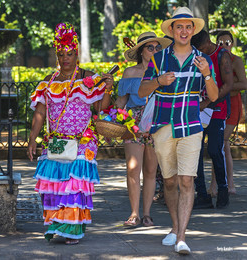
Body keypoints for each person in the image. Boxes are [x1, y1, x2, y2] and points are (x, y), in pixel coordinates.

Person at [138, 7, 219, 254]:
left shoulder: (202, 60)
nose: (184, 31)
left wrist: (206, 74)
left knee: (186, 180)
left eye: (188, 26)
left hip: (191, 125)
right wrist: (158, 82)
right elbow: (142, 91)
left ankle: (182, 236)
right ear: (172, 30)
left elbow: (214, 96)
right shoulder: (158, 59)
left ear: (193, 30)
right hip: (163, 126)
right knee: (170, 182)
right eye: (179, 27)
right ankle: (175, 227)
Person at [27, 22, 114, 245]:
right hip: (55, 141)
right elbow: (39, 113)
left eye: (70, 53)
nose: (66, 58)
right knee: (54, 183)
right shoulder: (48, 81)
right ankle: (58, 224)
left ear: (77, 53)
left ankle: (72, 228)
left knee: (74, 183)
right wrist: (31, 140)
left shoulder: (89, 79)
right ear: (57, 55)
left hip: (83, 141)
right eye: (61, 54)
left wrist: (108, 88)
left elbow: (101, 110)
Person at [115, 32, 172, 227]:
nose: (155, 51)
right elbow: (121, 102)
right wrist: (114, 121)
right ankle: (134, 213)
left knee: (150, 170)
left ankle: (146, 214)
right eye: (150, 48)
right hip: (134, 121)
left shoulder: (164, 71)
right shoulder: (130, 73)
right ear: (141, 51)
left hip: (157, 120)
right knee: (133, 169)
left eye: (158, 48)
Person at [191, 30, 233, 209]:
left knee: (215, 150)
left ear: (208, 42)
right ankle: (202, 194)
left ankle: (223, 190)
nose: (199, 52)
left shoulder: (222, 55)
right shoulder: (195, 55)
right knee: (196, 153)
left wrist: (207, 102)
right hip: (196, 110)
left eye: (200, 48)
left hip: (217, 110)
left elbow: (229, 85)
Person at [207, 31, 247, 196]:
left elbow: (244, 83)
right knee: (224, 146)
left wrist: (227, 86)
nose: (224, 46)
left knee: (220, 143)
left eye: (227, 43)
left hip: (232, 104)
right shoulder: (214, 58)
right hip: (218, 105)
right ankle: (229, 184)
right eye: (220, 43)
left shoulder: (236, 60)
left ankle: (216, 185)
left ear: (232, 43)